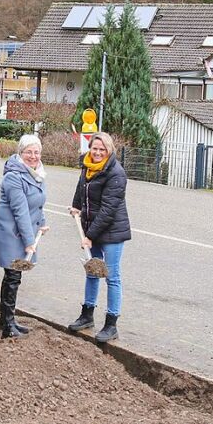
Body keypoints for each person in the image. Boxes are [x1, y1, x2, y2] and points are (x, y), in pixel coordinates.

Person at [68, 131, 131, 343]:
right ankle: (87, 315)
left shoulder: (116, 173)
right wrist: (76, 206)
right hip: (91, 228)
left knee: (112, 277)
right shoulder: (87, 166)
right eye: (94, 148)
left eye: (101, 149)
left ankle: (111, 324)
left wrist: (90, 236)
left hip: (112, 231)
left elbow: (108, 209)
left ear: (109, 150)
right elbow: (81, 189)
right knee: (92, 272)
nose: (97, 152)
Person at [0, 134, 48, 339]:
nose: (33, 156)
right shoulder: (14, 176)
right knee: (13, 276)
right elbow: (20, 211)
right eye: (28, 152)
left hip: (25, 232)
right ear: (20, 153)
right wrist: (29, 242)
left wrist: (42, 222)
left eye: (36, 152)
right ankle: (7, 327)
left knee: (13, 276)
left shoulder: (37, 173)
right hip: (11, 234)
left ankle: (6, 319)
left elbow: (37, 203)